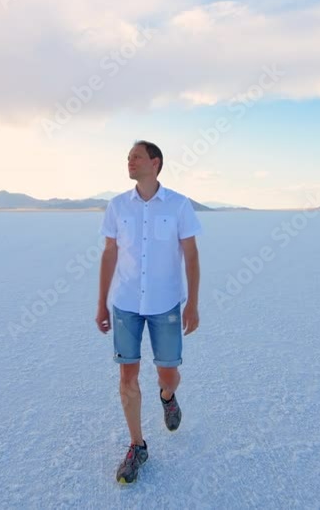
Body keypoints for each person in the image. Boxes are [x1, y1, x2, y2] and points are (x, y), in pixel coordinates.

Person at [95, 140, 203, 484]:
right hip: (126, 303)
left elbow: (192, 256)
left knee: (168, 375)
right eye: (127, 157)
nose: (130, 161)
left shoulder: (178, 205)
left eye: (136, 156)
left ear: (154, 163)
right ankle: (137, 445)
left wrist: (194, 304)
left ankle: (167, 396)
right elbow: (109, 254)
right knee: (126, 378)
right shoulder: (117, 206)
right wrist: (101, 302)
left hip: (165, 305)